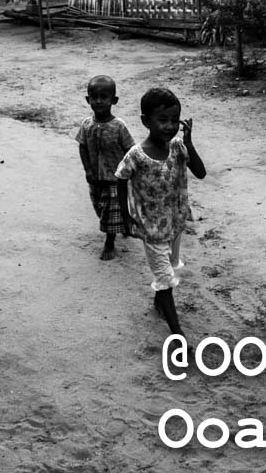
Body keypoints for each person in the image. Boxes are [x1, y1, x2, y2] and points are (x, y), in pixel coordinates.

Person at [115, 87, 206, 335]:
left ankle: (159, 300)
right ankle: (178, 333)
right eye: (162, 120)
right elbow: (120, 179)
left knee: (171, 266)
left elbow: (201, 172)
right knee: (165, 278)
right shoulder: (137, 155)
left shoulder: (178, 147)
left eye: (174, 120)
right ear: (146, 121)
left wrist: (189, 143)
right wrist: (126, 216)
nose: (169, 126)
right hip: (151, 229)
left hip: (175, 223)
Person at [76, 75, 135, 260]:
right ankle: (124, 222)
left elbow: (131, 149)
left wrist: (129, 172)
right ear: (88, 99)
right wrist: (88, 170)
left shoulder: (119, 126)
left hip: (115, 179)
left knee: (111, 211)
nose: (99, 101)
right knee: (100, 208)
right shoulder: (87, 125)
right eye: (94, 97)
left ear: (114, 100)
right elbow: (83, 146)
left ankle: (109, 242)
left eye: (104, 97)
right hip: (95, 178)